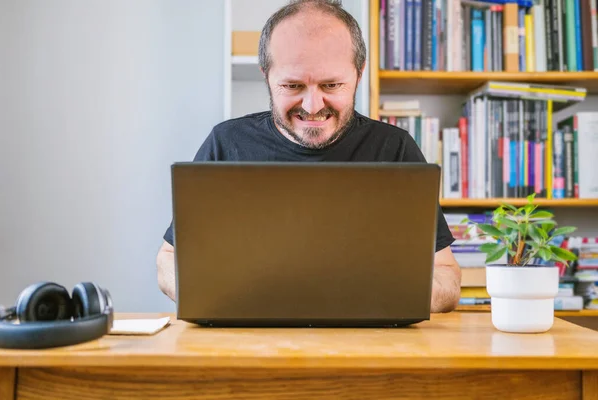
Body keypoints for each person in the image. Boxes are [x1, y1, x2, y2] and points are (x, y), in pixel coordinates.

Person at [156, 0, 461, 312]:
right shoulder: (226, 143)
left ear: (359, 73)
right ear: (267, 76)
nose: (313, 106)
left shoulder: (395, 149)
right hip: (248, 343)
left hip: (368, 346)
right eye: (293, 85)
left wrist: (372, 297)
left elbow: (447, 278)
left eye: (331, 84)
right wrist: (220, 299)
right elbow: (168, 260)